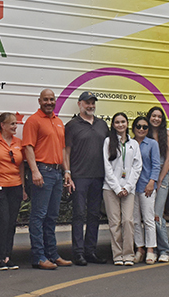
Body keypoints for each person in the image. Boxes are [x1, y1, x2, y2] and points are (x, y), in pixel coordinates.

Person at [22, 89, 72, 270]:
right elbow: (28, 147)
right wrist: (35, 172)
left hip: (57, 173)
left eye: (52, 99)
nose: (49, 102)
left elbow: (63, 149)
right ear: (39, 101)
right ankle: (38, 257)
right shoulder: (33, 121)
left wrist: (67, 171)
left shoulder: (58, 122)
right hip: (43, 171)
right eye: (46, 100)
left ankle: (52, 254)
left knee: (52, 217)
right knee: (39, 216)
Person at [63, 91, 109, 266]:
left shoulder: (102, 125)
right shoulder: (72, 125)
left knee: (94, 215)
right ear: (79, 104)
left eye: (92, 103)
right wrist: (67, 172)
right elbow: (66, 151)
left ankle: (91, 251)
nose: (90, 106)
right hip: (79, 177)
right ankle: (78, 252)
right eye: (87, 103)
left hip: (98, 176)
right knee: (79, 215)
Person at [0, 112, 26, 270]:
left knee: (12, 222)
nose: (15, 126)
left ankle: (8, 256)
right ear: (3, 125)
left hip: (15, 185)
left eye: (15, 124)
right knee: (2, 221)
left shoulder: (18, 142)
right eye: (12, 124)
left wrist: (22, 187)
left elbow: (21, 165)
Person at [103, 112, 142, 265]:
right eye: (117, 122)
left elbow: (137, 167)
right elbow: (107, 166)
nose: (120, 125)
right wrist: (117, 187)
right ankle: (117, 255)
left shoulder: (134, 144)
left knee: (128, 221)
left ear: (127, 123)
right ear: (113, 125)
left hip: (128, 189)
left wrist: (127, 187)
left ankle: (128, 255)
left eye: (123, 122)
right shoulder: (108, 142)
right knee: (114, 222)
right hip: (110, 188)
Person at [131, 116, 160, 265]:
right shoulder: (129, 143)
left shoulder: (152, 144)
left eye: (144, 127)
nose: (141, 129)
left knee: (148, 219)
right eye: (138, 126)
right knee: (135, 220)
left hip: (146, 187)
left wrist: (151, 182)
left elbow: (156, 164)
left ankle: (150, 250)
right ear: (133, 127)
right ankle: (139, 248)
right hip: (131, 187)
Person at [147, 106, 169, 262]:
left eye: (159, 116)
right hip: (147, 177)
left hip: (162, 176)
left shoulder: (167, 135)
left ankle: (165, 250)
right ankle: (153, 248)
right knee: (148, 216)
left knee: (157, 215)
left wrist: (159, 179)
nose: (156, 118)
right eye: (153, 116)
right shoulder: (145, 134)